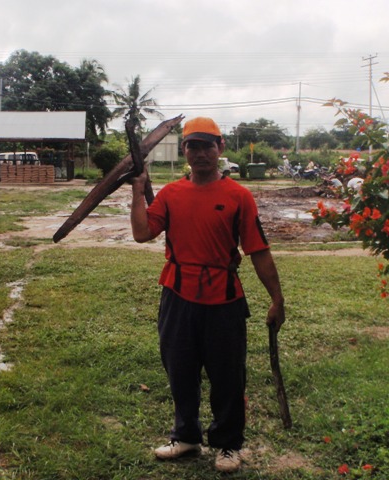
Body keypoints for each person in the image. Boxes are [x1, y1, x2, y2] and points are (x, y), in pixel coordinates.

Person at [130, 117, 285, 474]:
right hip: (178, 295)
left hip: (224, 301)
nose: (200, 153)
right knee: (180, 369)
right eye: (192, 146)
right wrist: (138, 192)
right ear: (184, 150)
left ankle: (228, 444)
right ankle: (185, 437)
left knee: (227, 375)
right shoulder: (170, 194)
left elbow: (258, 250)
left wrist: (277, 299)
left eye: (207, 145)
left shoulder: (238, 196)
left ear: (221, 147)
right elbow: (142, 233)